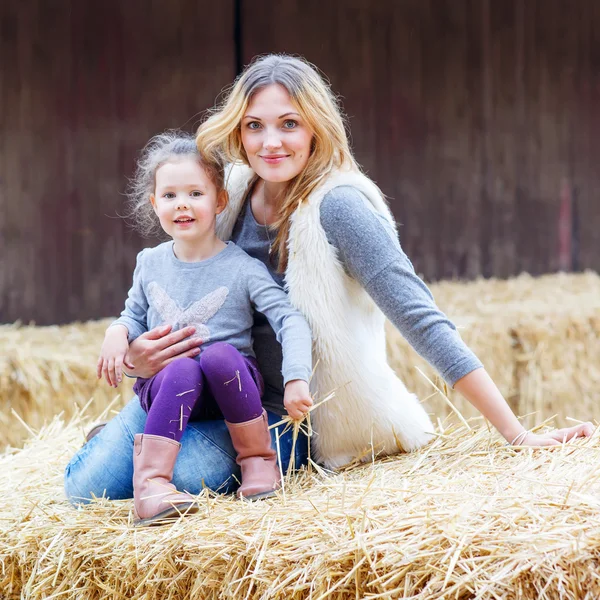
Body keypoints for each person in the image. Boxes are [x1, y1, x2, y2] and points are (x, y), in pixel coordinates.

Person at [64, 55, 593, 505]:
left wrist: (517, 433)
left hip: (279, 419)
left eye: (289, 124)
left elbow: (421, 317)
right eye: (254, 125)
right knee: (82, 488)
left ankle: (125, 446)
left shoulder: (339, 208)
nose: (271, 142)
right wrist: (137, 357)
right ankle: (117, 444)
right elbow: (173, 290)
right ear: (238, 130)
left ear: (317, 125)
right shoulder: (229, 194)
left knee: (168, 479)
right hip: (196, 391)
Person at [95, 131, 313, 525]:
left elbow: (289, 318)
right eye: (170, 195)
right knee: (180, 368)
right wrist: (117, 333)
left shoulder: (243, 268)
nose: (182, 204)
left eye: (196, 193)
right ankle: (152, 488)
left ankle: (258, 463)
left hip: (231, 393)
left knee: (218, 356)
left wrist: (296, 375)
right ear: (154, 203)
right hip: (171, 391)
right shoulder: (150, 262)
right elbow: (133, 316)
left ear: (220, 201)